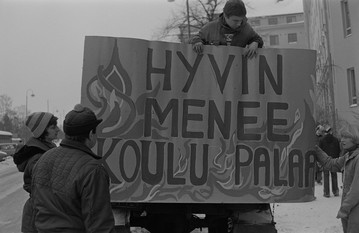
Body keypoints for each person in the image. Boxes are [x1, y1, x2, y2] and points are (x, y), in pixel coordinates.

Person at [31, 104, 116, 232]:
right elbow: (100, 225)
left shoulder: (44, 158)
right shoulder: (92, 170)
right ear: (90, 133)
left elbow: (35, 205)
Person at [13, 112, 59, 233]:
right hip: (39, 213)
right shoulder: (38, 158)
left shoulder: (47, 150)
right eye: (53, 127)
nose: (58, 130)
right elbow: (44, 189)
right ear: (42, 131)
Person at [315, 124, 359, 233]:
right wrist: (315, 149)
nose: (342, 140)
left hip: (355, 210)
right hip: (349, 209)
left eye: (346, 137)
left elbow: (356, 190)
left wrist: (344, 209)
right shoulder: (349, 156)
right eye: (342, 137)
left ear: (355, 138)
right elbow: (331, 164)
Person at [189, 0, 263, 58]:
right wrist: (197, 42)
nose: (239, 23)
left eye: (241, 20)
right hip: (213, 71)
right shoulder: (210, 27)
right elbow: (196, 37)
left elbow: (257, 39)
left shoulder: (246, 28)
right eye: (235, 20)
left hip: (236, 71)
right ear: (225, 16)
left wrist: (255, 43)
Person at [319, 124, 341, 197]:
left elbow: (320, 150)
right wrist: (337, 158)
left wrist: (320, 160)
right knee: (334, 175)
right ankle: (335, 191)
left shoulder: (322, 140)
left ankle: (326, 192)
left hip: (325, 160)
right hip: (334, 159)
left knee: (326, 176)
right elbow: (338, 150)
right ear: (330, 131)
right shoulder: (336, 140)